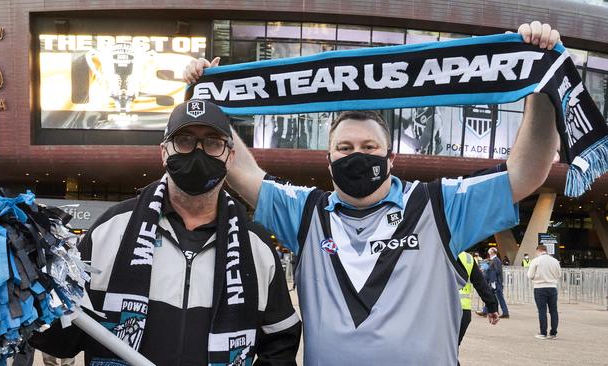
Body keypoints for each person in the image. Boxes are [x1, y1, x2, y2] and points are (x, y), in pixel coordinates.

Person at [185, 21, 560, 366]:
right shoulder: (306, 212)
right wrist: (204, 102)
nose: (357, 156)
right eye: (345, 149)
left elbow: (525, 175)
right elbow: (240, 170)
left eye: (369, 147)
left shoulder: (440, 204)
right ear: (328, 160)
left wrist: (541, 88)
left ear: (391, 158)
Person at [30, 100, 301, 365]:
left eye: (212, 142)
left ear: (230, 156)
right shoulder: (110, 229)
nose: (198, 152)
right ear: (163, 152)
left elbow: (281, 340)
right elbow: (63, 333)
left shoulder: (256, 245)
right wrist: (27, 285)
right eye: (184, 140)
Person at [457, 251, 499, 365]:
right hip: (463, 312)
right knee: (452, 349)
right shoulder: (467, 258)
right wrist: (492, 307)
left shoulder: (432, 250)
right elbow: (481, 284)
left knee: (441, 351)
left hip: (441, 311)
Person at [528, 244, 562, 340]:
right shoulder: (555, 261)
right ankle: (553, 333)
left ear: (538, 250)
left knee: (542, 311)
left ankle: (543, 332)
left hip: (540, 287)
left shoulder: (536, 260)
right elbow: (559, 274)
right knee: (553, 310)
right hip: (552, 287)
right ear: (546, 250)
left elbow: (530, 275)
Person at [478, 247, 510, 319]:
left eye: (489, 252)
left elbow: (497, 271)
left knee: (499, 298)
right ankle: (485, 311)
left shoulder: (496, 260)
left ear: (492, 252)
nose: (488, 253)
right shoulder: (493, 260)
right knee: (491, 297)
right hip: (494, 282)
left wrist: (489, 271)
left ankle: (505, 313)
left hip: (496, 283)